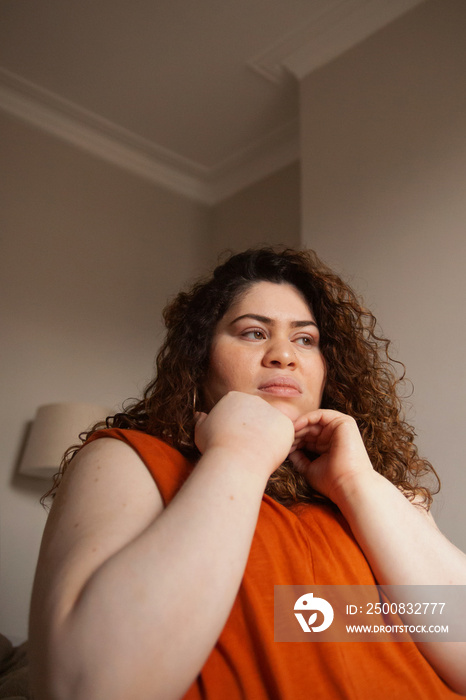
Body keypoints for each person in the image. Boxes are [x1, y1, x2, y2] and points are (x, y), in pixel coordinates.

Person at [29, 247, 466, 700]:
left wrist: (358, 483)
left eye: (305, 340)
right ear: (201, 359)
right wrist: (239, 454)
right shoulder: (128, 458)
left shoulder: (382, 496)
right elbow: (86, 684)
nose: (283, 355)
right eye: (254, 333)